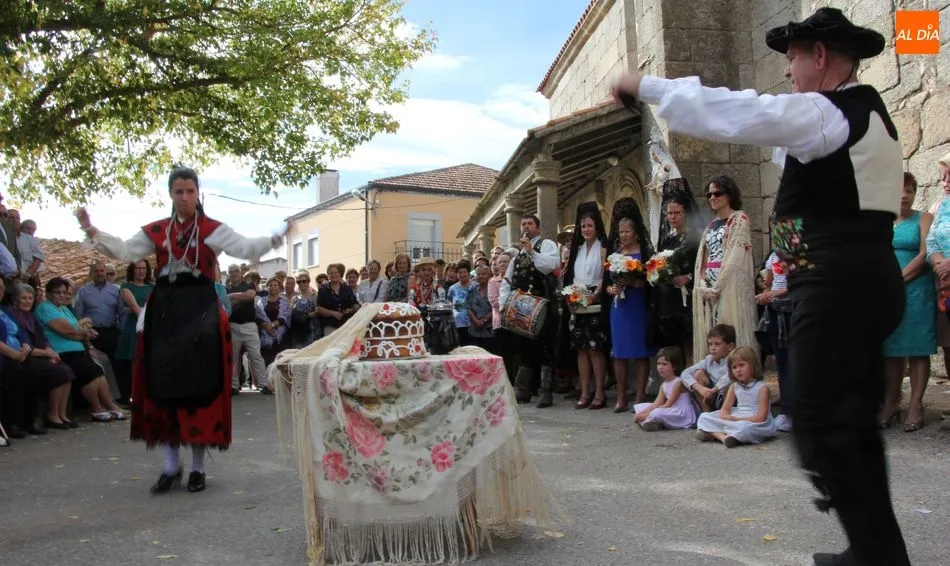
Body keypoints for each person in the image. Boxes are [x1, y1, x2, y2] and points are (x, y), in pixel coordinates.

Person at [613, 7, 909, 564]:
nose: (788, 70)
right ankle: (873, 547)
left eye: (794, 57)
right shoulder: (858, 117)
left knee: (820, 416)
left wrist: (648, 87)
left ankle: (875, 553)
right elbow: (788, 152)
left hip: (839, 285)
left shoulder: (826, 111)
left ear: (820, 56)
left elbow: (741, 112)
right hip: (858, 281)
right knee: (840, 418)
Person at [75, 166, 286, 494]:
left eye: (190, 191)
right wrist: (92, 230)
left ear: (198, 192)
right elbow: (126, 251)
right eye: (178, 192)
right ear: (171, 195)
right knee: (163, 386)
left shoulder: (211, 229)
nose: (185, 198)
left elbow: (244, 247)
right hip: (166, 313)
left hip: (200, 312)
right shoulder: (158, 230)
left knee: (199, 387)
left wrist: (271, 240)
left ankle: (198, 467)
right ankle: (171, 465)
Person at [498, 214, 560, 408]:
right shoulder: (517, 255)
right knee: (523, 349)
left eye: (530, 223)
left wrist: (532, 251)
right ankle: (523, 390)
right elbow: (508, 282)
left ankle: (546, 392)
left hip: (542, 307)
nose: (526, 226)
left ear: (538, 228)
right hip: (520, 309)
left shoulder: (547, 245)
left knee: (543, 348)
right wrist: (503, 305)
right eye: (523, 224)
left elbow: (550, 266)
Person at [604, 199, 653, 408]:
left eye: (627, 231)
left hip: (638, 305)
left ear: (635, 232)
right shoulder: (614, 256)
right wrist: (612, 289)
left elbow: (652, 282)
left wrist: (634, 282)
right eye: (620, 231)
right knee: (620, 352)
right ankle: (622, 396)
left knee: (641, 351)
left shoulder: (645, 253)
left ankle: (640, 396)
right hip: (619, 308)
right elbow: (605, 284)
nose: (623, 235)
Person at [561, 202, 609, 411]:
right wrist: (572, 296)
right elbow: (571, 277)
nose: (586, 230)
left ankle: (599, 392)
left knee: (595, 349)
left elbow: (605, 276)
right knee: (581, 349)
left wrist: (595, 294)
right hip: (578, 301)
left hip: (595, 301)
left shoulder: (603, 247)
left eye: (589, 225)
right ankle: (584, 392)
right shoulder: (577, 250)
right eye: (583, 227)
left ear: (596, 226)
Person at [696, 346, 776, 447]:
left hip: (754, 422)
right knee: (704, 417)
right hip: (738, 415)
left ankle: (713, 433)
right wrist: (725, 417)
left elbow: (762, 418)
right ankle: (724, 438)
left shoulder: (762, 388)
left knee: (745, 428)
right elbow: (725, 408)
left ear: (753, 366)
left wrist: (735, 420)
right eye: (734, 367)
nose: (738, 370)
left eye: (741, 365)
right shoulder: (734, 386)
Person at [633, 346, 697, 432]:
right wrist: (641, 413)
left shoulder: (678, 382)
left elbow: (668, 404)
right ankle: (652, 422)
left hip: (681, 413)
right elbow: (656, 403)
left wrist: (646, 414)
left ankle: (649, 421)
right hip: (671, 410)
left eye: (664, 364)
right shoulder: (664, 385)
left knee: (657, 413)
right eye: (658, 364)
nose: (660, 367)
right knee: (640, 407)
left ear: (674, 367)